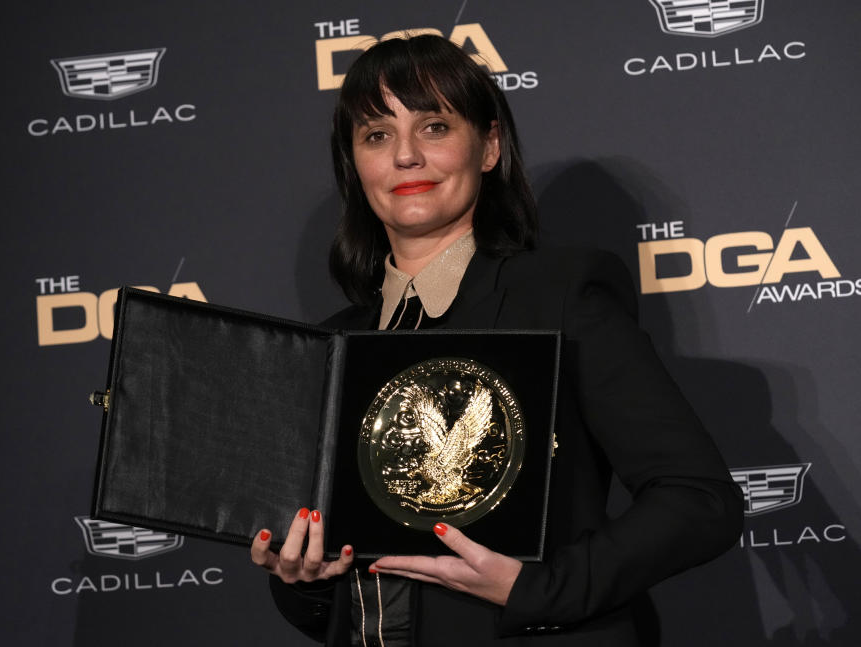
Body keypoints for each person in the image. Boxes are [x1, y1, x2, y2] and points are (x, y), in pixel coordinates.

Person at [250, 35, 742, 646]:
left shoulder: (559, 298)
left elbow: (699, 500)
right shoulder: (331, 346)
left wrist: (536, 587)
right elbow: (333, 606)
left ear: (488, 146)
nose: (405, 156)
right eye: (377, 135)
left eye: (433, 126)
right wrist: (307, 580)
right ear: (354, 164)